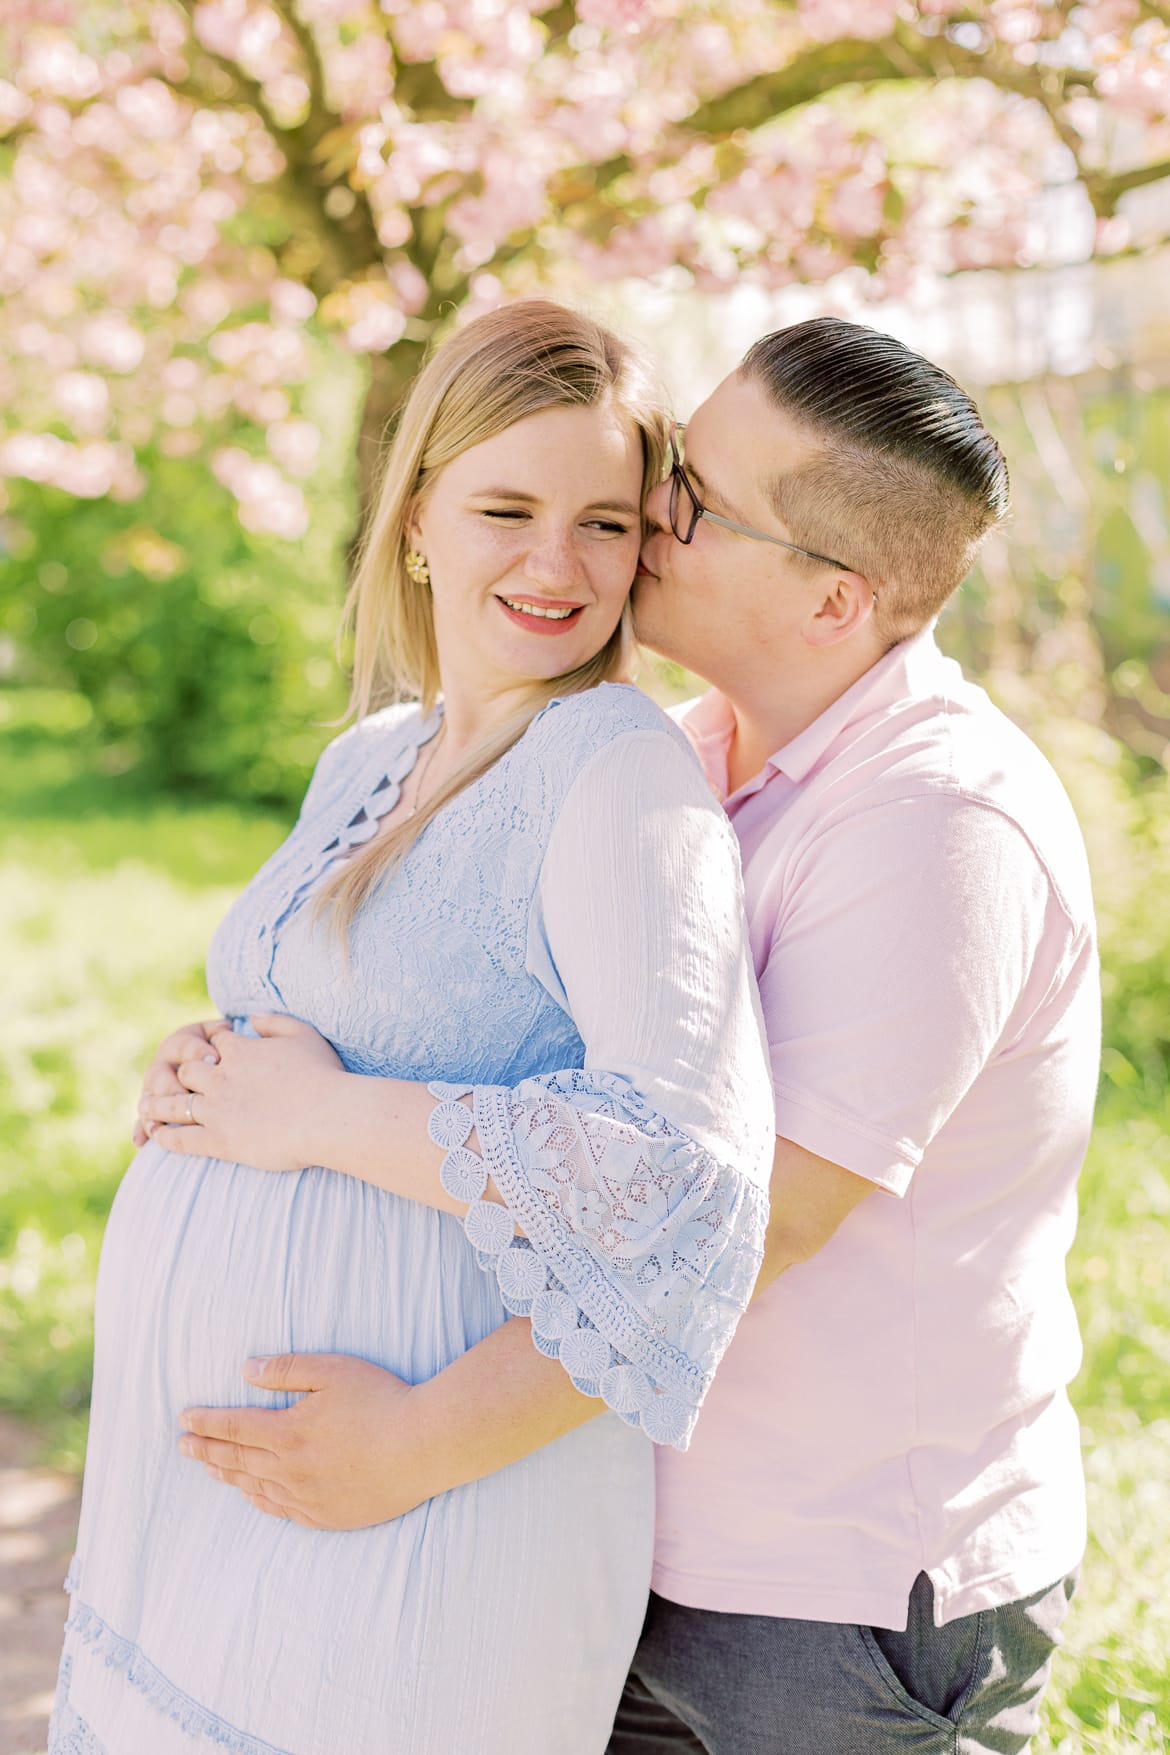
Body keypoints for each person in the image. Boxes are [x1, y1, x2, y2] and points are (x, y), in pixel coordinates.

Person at [169, 318, 1100, 1755]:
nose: (645, 516)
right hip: (618, 1524)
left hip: (825, 1598)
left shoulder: (933, 826)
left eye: (692, 502)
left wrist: (412, 1447)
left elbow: (748, 1219)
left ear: (835, 603)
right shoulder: (683, 750)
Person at [50, 300, 775, 1755]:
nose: (556, 564)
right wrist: (210, 1070)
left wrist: (312, 1121)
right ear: (418, 520)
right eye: (506, 506)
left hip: (430, 1512)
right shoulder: (374, 754)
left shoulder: (617, 776)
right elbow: (344, 1019)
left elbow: (686, 1186)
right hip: (232, 1515)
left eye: (605, 522)